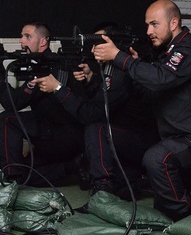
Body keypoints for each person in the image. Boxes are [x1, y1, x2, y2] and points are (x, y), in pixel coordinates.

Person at [93, 0, 191, 220]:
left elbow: (162, 78)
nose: (149, 31)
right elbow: (151, 91)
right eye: (147, 25)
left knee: (156, 159)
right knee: (165, 210)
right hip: (177, 140)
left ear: (173, 23)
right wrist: (134, 69)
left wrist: (120, 58)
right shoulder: (166, 53)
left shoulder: (187, 49)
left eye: (154, 24)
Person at [36, 25, 159, 198]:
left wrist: (57, 88)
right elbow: (106, 99)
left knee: (96, 129)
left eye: (98, 43)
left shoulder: (121, 74)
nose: (93, 48)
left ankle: (102, 194)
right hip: (126, 137)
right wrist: (91, 80)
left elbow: (91, 114)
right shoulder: (110, 71)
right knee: (119, 187)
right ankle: (136, 180)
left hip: (142, 141)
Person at [0, 22, 83, 185]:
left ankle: (70, 167)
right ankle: (66, 168)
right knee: (8, 121)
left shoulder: (50, 65)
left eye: (27, 36)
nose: (22, 41)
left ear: (43, 42)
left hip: (63, 136)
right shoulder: (37, 64)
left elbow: (13, 103)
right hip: (48, 128)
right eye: (21, 36)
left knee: (24, 173)